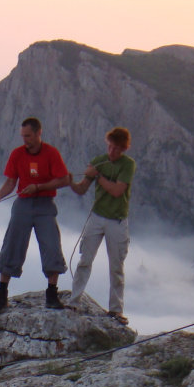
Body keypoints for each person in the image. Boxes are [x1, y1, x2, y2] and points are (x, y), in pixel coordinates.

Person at [0, 117, 71, 313]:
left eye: (29, 136)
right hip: (23, 204)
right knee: (12, 245)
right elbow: (10, 183)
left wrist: (39, 187)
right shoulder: (17, 154)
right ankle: (1, 296)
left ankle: (51, 294)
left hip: (45, 205)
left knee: (51, 245)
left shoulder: (51, 153)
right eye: (23, 136)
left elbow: (64, 179)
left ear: (39, 133)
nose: (25, 140)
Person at [68, 127, 137, 324]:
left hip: (117, 220)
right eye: (110, 147)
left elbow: (117, 191)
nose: (112, 152)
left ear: (123, 149)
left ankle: (116, 310)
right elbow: (82, 189)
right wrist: (70, 182)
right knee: (85, 260)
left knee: (116, 267)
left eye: (116, 149)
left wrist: (97, 175)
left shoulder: (128, 165)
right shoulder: (99, 161)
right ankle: (74, 301)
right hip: (97, 217)